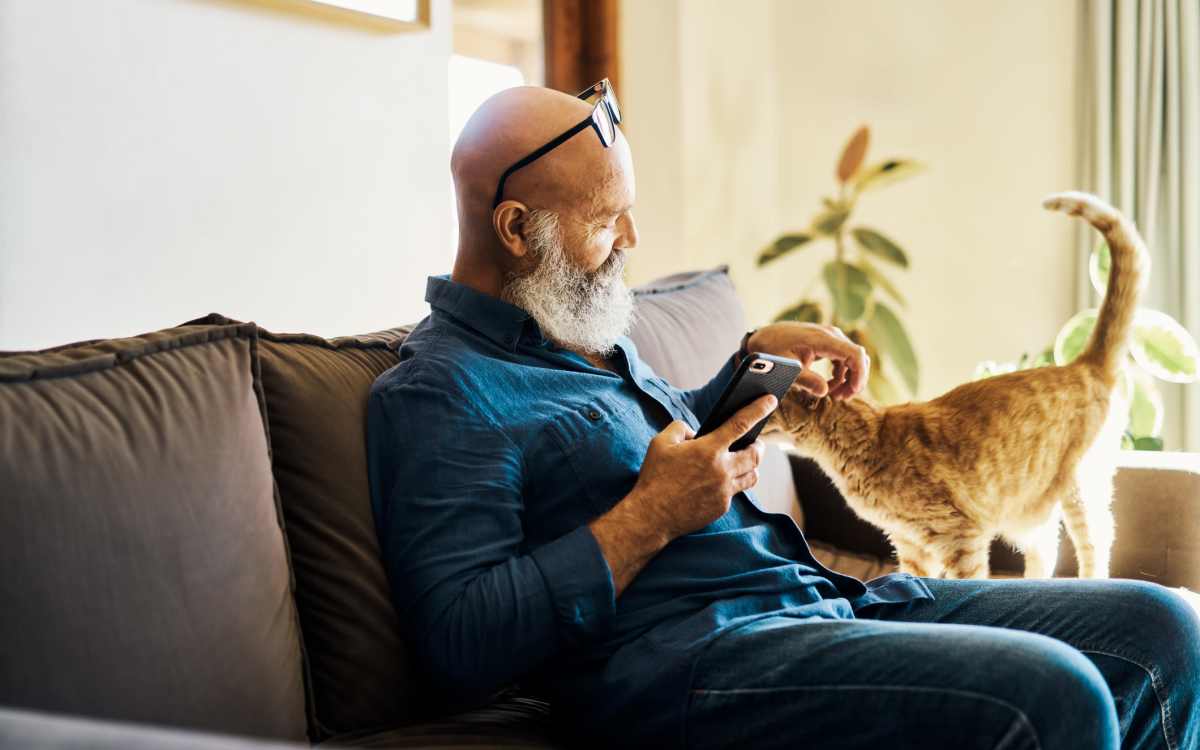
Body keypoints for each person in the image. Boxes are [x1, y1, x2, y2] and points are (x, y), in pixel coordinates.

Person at [366, 82, 1199, 749]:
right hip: (691, 663)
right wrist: (647, 519)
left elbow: (645, 447)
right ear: (516, 228)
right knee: (1056, 696)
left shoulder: (569, 326)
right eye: (605, 220)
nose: (631, 239)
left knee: (1164, 630)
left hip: (811, 600)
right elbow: (459, 642)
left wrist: (755, 366)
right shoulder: (441, 393)